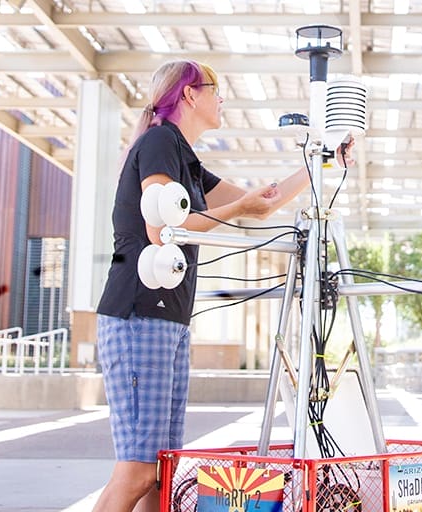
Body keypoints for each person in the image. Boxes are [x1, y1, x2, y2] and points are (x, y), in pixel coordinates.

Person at [91, 60, 346, 512]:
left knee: (161, 474)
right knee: (136, 471)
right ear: (190, 95)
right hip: (138, 315)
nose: (222, 98)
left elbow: (261, 207)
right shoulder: (158, 143)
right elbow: (162, 228)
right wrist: (237, 208)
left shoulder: (185, 159)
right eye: (216, 90)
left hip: (169, 319)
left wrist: (324, 161)